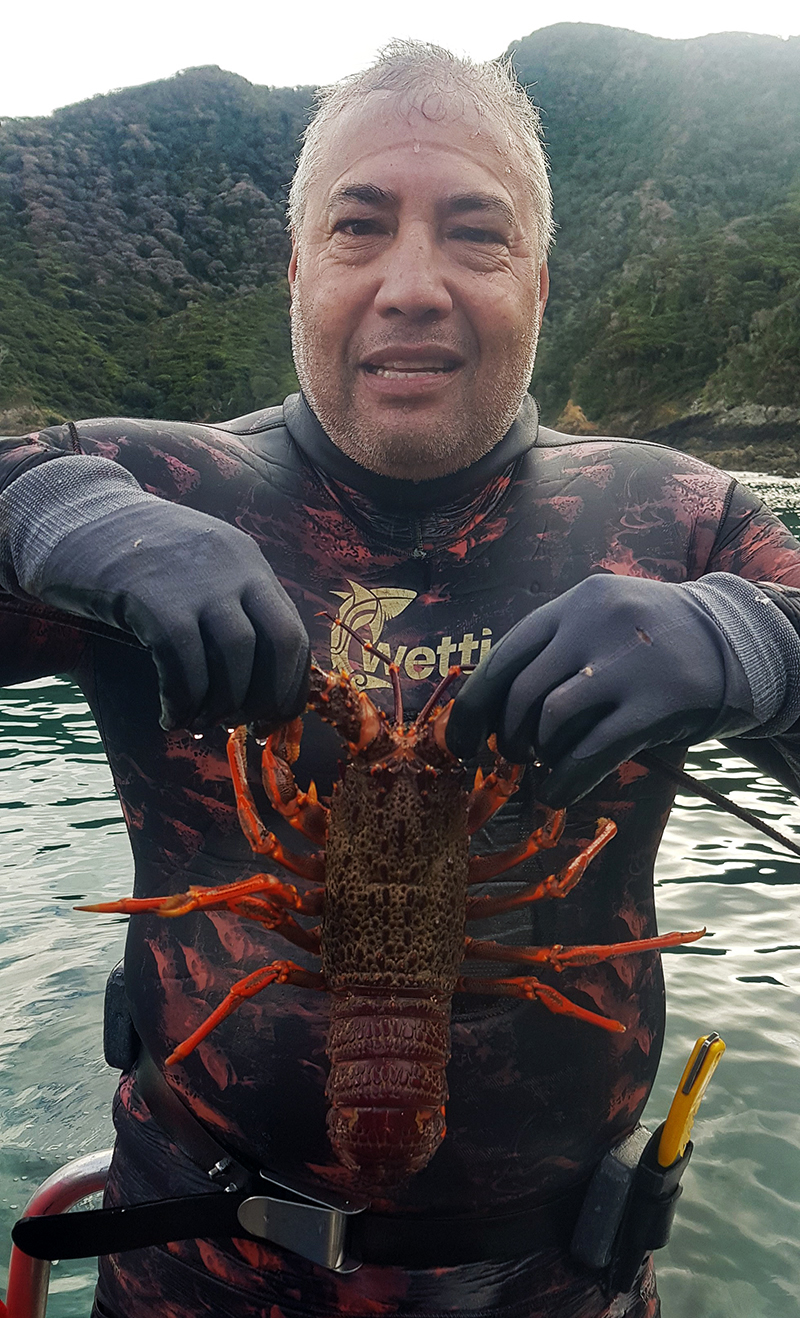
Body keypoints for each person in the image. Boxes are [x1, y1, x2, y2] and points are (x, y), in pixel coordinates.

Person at [2, 40, 800, 1318]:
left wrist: (764, 650)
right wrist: (38, 512)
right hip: (195, 1268)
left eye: (474, 236)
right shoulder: (148, 483)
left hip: (555, 1283)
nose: (411, 285)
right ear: (297, 269)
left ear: (537, 281)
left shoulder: (685, 517)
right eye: (357, 227)